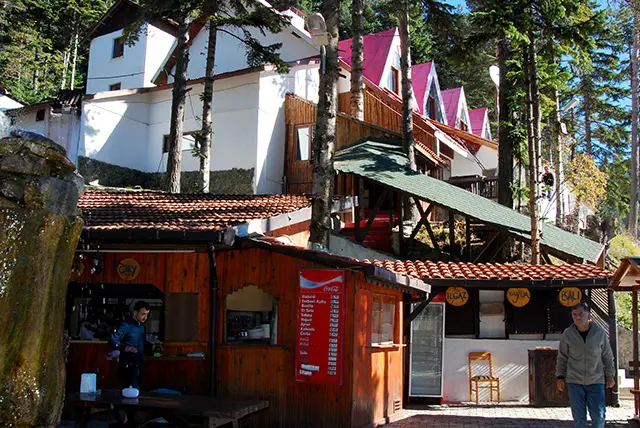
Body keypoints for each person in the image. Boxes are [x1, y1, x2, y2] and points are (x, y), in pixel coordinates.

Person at [556, 302, 616, 428]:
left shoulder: (599, 333)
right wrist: (560, 377)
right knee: (579, 418)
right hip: (574, 381)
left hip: (596, 380)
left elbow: (607, 356)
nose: (578, 317)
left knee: (599, 415)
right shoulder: (568, 334)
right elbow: (562, 357)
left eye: (581, 314)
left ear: (588, 315)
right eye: (574, 315)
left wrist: (610, 375)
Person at [109, 300, 150, 389]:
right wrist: (125, 348)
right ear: (135, 313)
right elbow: (113, 341)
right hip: (127, 364)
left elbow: (143, 343)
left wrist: (152, 347)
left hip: (139, 364)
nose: (145, 317)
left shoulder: (142, 328)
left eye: (147, 314)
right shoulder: (126, 325)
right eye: (143, 314)